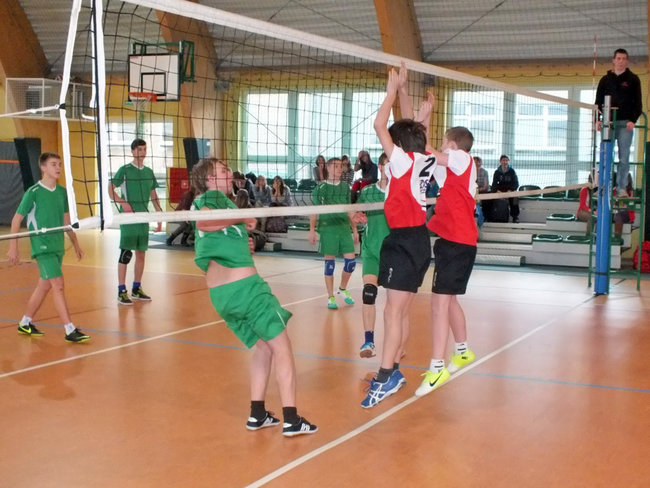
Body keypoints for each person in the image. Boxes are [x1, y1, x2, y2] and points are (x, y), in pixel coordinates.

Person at [190, 157, 317, 436]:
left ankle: (257, 414)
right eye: (223, 171)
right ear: (209, 180)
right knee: (282, 347)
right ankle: (292, 419)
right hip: (246, 291)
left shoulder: (222, 204)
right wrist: (242, 217)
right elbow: (204, 222)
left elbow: (212, 242)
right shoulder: (210, 199)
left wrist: (243, 241)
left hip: (223, 297)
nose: (229, 174)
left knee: (264, 347)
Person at [361, 63, 434, 408]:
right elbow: (413, 128)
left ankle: (385, 374)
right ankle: (394, 369)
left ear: (400, 146)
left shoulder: (403, 161)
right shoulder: (424, 157)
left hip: (403, 242)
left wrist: (392, 91)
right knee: (400, 312)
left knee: (392, 313)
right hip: (417, 241)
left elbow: (380, 125)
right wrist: (406, 93)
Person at [416, 126, 478, 397]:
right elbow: (430, 157)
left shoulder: (462, 158)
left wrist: (421, 134)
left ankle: (437, 366)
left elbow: (434, 154)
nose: (441, 146)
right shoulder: (451, 171)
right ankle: (462, 351)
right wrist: (422, 126)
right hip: (452, 241)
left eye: (444, 143)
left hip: (458, 241)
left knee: (438, 304)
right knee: (448, 300)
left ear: (452, 145)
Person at [7, 152, 90, 343]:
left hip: (57, 246)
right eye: (53, 164)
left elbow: (67, 222)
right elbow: (16, 219)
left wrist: (76, 243)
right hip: (42, 246)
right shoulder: (33, 192)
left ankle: (25, 322)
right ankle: (69, 329)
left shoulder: (62, 192)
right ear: (43, 167)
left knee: (44, 286)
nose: (58, 167)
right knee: (58, 285)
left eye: (59, 164)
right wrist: (13, 247)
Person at [109, 139, 162, 305]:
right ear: (132, 151)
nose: (142, 152)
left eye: (144, 149)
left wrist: (159, 216)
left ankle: (136, 288)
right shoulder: (125, 170)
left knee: (141, 253)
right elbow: (110, 189)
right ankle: (121, 291)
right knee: (126, 253)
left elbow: (154, 196)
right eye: (139, 149)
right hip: (129, 217)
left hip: (143, 217)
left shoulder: (149, 172)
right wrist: (123, 202)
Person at [352, 152, 393, 358]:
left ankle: (395, 344)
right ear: (381, 166)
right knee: (369, 293)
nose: (391, 168)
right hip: (371, 251)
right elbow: (356, 213)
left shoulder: (401, 192)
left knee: (395, 306)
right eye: (387, 164)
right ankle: (368, 342)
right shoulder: (368, 191)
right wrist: (357, 218)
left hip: (394, 253)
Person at [309, 157, 359, 310]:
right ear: (328, 168)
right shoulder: (320, 188)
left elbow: (349, 209)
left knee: (351, 263)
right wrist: (312, 230)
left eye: (341, 166)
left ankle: (342, 288)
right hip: (328, 228)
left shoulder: (345, 187)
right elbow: (314, 210)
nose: (339, 169)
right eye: (336, 166)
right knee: (330, 265)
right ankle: (330, 297)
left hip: (343, 228)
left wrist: (355, 229)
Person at [595, 48, 642, 192]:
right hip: (608, 123)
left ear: (627, 62)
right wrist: (597, 120)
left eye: (624, 59)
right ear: (613, 61)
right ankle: (605, 187)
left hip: (625, 123)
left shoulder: (633, 80)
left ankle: (621, 188)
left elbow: (638, 103)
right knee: (605, 156)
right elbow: (598, 102)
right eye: (618, 58)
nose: (621, 61)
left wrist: (633, 120)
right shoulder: (605, 80)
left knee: (624, 157)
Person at [491, 154, 520, 223]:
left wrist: (510, 191)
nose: (505, 162)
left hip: (510, 191)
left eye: (506, 160)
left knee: (515, 198)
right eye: (503, 160)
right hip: (500, 192)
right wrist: (498, 191)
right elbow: (494, 184)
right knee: (490, 199)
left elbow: (516, 183)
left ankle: (515, 217)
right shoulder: (497, 172)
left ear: (508, 161)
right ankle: (493, 217)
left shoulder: (512, 171)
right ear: (500, 161)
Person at [614, 173, 635, 241]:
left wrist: (627, 199)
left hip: (626, 213)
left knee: (618, 216)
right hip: (616, 211)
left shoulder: (631, 191)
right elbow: (614, 202)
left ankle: (617, 238)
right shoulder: (616, 190)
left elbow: (631, 205)